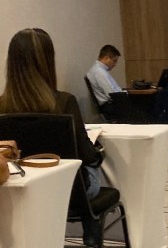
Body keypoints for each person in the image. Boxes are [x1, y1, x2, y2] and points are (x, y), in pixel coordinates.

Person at [0, 28, 104, 246]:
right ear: (48, 62)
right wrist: (98, 153)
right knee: (94, 166)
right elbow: (85, 155)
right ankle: (90, 223)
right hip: (71, 195)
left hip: (18, 195)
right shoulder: (64, 102)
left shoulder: (2, 107)